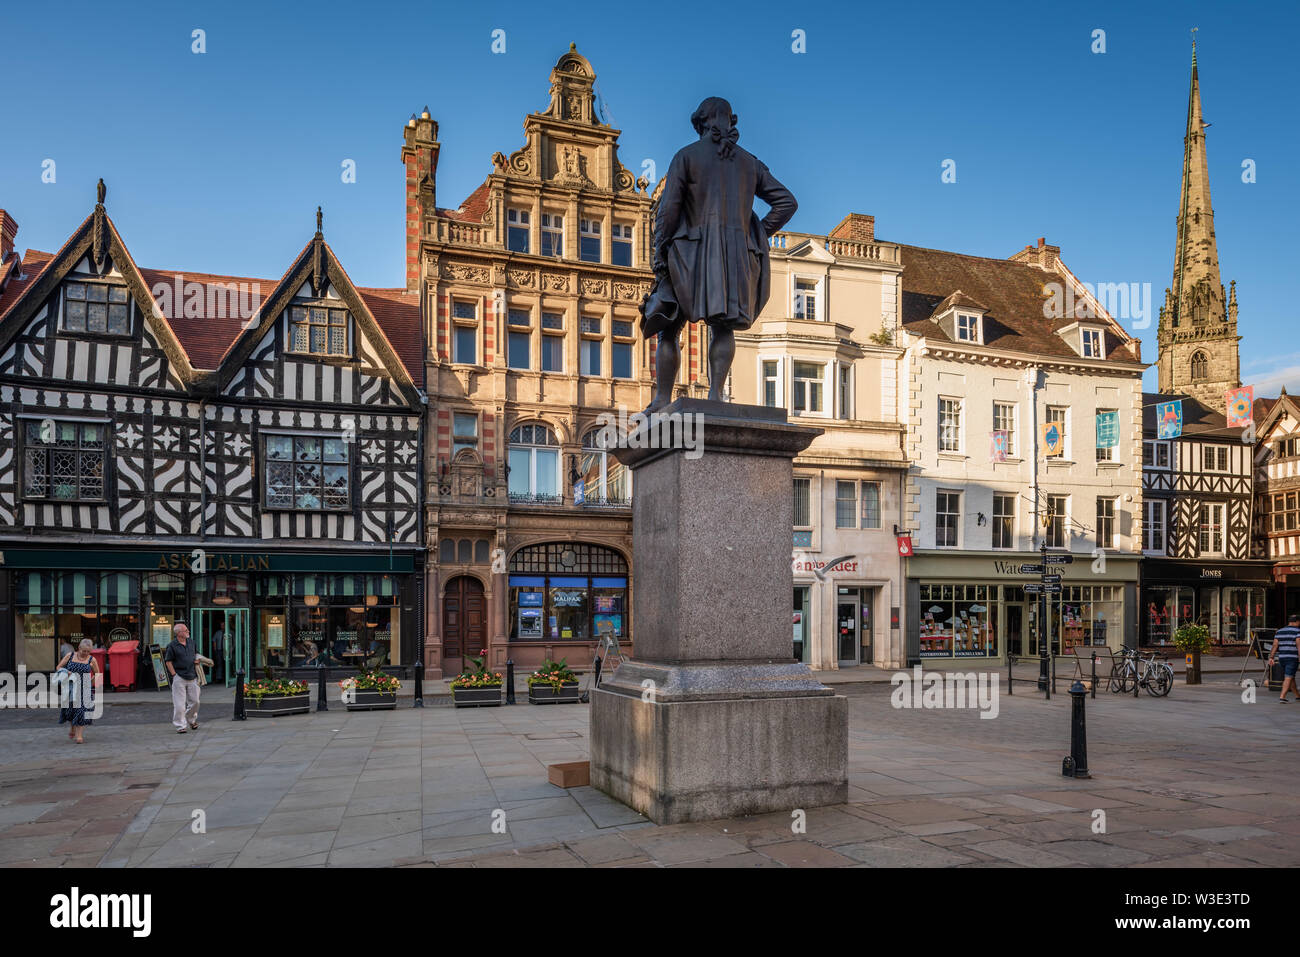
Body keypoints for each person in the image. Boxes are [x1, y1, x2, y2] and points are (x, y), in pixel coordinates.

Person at [641, 96, 798, 412]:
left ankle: (662, 398)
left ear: (701, 122)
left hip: (687, 252)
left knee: (669, 325)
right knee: (723, 326)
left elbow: (667, 212)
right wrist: (754, 234)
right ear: (731, 121)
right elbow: (787, 202)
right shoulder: (749, 163)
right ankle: (715, 396)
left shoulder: (686, 157)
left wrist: (660, 255)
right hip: (732, 258)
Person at [56, 638, 99, 744]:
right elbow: (58, 667)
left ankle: (79, 735)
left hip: (85, 688)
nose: (85, 653)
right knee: (70, 710)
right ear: (79, 648)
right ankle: (72, 728)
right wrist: (67, 672)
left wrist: (91, 682)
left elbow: (98, 674)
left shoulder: (92, 660)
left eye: (88, 651)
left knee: (82, 711)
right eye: (84, 651)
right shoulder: (70, 656)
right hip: (70, 687)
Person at [163, 622, 201, 733]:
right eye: (186, 630)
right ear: (179, 633)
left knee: (195, 702)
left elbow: (196, 654)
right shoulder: (172, 645)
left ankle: (191, 719)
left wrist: (198, 660)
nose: (188, 631)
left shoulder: (191, 642)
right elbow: (168, 661)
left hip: (192, 676)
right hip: (179, 677)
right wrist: (174, 674)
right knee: (179, 704)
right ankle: (180, 726)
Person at [1268, 612, 1300, 703]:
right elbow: (1299, 645)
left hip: (1282, 658)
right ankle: (1282, 696)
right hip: (1292, 658)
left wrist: (1271, 657)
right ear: (1296, 622)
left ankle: (1298, 696)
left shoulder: (1279, 631)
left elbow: (1275, 645)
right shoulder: (1297, 631)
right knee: (1288, 677)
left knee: (1290, 677)